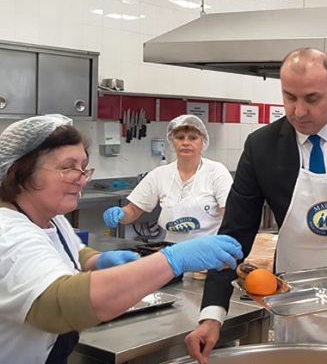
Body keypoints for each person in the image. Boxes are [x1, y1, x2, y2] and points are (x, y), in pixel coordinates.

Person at [185, 48, 327, 363]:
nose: (299, 111)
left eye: (312, 99)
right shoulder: (262, 147)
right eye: (289, 97)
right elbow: (234, 235)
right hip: (296, 308)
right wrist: (212, 315)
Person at [0, 114, 244, 364]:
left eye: (83, 167)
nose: (81, 178)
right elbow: (58, 306)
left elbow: (69, 251)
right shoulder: (7, 233)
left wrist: (95, 260)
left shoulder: (52, 219)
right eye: (67, 167)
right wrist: (172, 260)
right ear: (21, 172)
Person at [102, 114, 233, 243]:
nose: (186, 143)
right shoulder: (159, 174)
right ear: (172, 142)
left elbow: (230, 215)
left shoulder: (216, 172)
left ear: (202, 142)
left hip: (209, 249)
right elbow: (133, 210)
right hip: (171, 250)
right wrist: (121, 214)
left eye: (193, 138)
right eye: (180, 138)